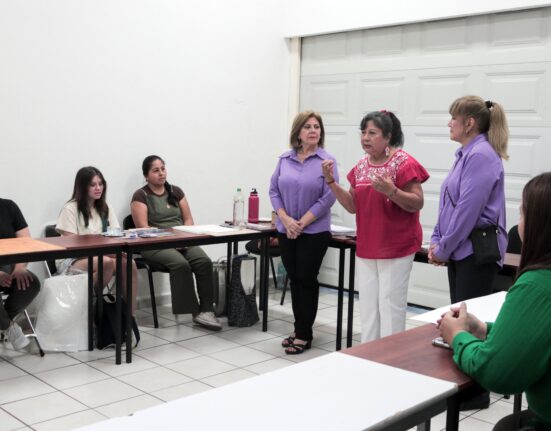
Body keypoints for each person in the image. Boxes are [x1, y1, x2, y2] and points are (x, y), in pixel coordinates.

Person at [438, 172, 551, 431]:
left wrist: (457, 337)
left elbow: (498, 373)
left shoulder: (536, 285)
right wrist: (486, 330)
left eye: (522, 214)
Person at [322, 110, 429, 342]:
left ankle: (390, 357)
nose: (365, 138)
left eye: (372, 133)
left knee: (390, 307)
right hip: (367, 246)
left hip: (396, 247)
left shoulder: (403, 163)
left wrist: (392, 191)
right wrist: (331, 182)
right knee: (369, 307)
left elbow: (417, 202)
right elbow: (352, 205)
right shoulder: (362, 165)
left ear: (388, 137)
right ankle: (368, 354)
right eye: (363, 133)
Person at [429, 96, 509, 303]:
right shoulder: (466, 154)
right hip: (459, 250)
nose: (449, 123)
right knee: (457, 315)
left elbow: (467, 212)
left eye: (453, 118)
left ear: (469, 123)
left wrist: (443, 249)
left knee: (466, 317)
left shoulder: (481, 155)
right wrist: (436, 241)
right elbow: (448, 205)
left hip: (475, 253)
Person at [270, 111, 337, 354]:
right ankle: (299, 328)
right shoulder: (284, 159)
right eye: (307, 126)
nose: (313, 131)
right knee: (295, 278)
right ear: (298, 132)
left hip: (314, 232)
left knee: (306, 279)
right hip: (286, 229)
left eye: (317, 127)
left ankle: (304, 335)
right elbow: (274, 191)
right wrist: (286, 220)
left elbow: (328, 197)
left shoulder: (327, 161)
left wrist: (301, 223)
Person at [130, 155, 221, 331]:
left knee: (204, 261)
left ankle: (207, 310)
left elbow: (188, 220)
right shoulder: (140, 195)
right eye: (155, 170)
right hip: (154, 244)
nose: (161, 173)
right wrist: (171, 240)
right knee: (180, 264)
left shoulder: (176, 191)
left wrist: (184, 238)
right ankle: (195, 312)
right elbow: (143, 229)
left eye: (163, 169)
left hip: (182, 239)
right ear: (146, 175)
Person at [56, 166, 138, 314]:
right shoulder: (70, 208)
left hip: (102, 255)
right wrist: (107, 253)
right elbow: (72, 245)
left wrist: (113, 251)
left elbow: (115, 236)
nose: (98, 188)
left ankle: (130, 317)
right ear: (82, 187)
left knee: (128, 263)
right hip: (73, 259)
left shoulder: (105, 208)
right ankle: (88, 308)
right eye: (93, 185)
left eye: (101, 184)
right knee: (105, 262)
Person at [0, 199, 41, 350]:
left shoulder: (9, 207)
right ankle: (9, 327)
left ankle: (4, 322)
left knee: (31, 283)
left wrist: (19, 267)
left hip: (9, 267)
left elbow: (26, 243)